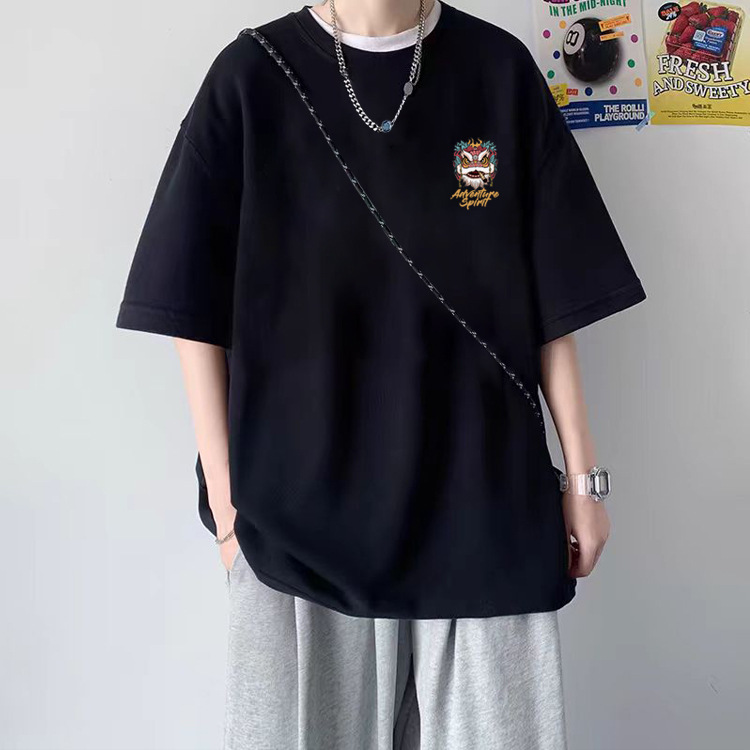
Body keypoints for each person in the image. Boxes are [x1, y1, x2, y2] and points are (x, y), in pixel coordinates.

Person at [115, 1, 647, 748]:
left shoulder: (498, 72)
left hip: (485, 512)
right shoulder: (251, 77)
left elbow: (553, 305)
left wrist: (584, 481)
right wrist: (229, 506)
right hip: (298, 529)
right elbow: (186, 304)